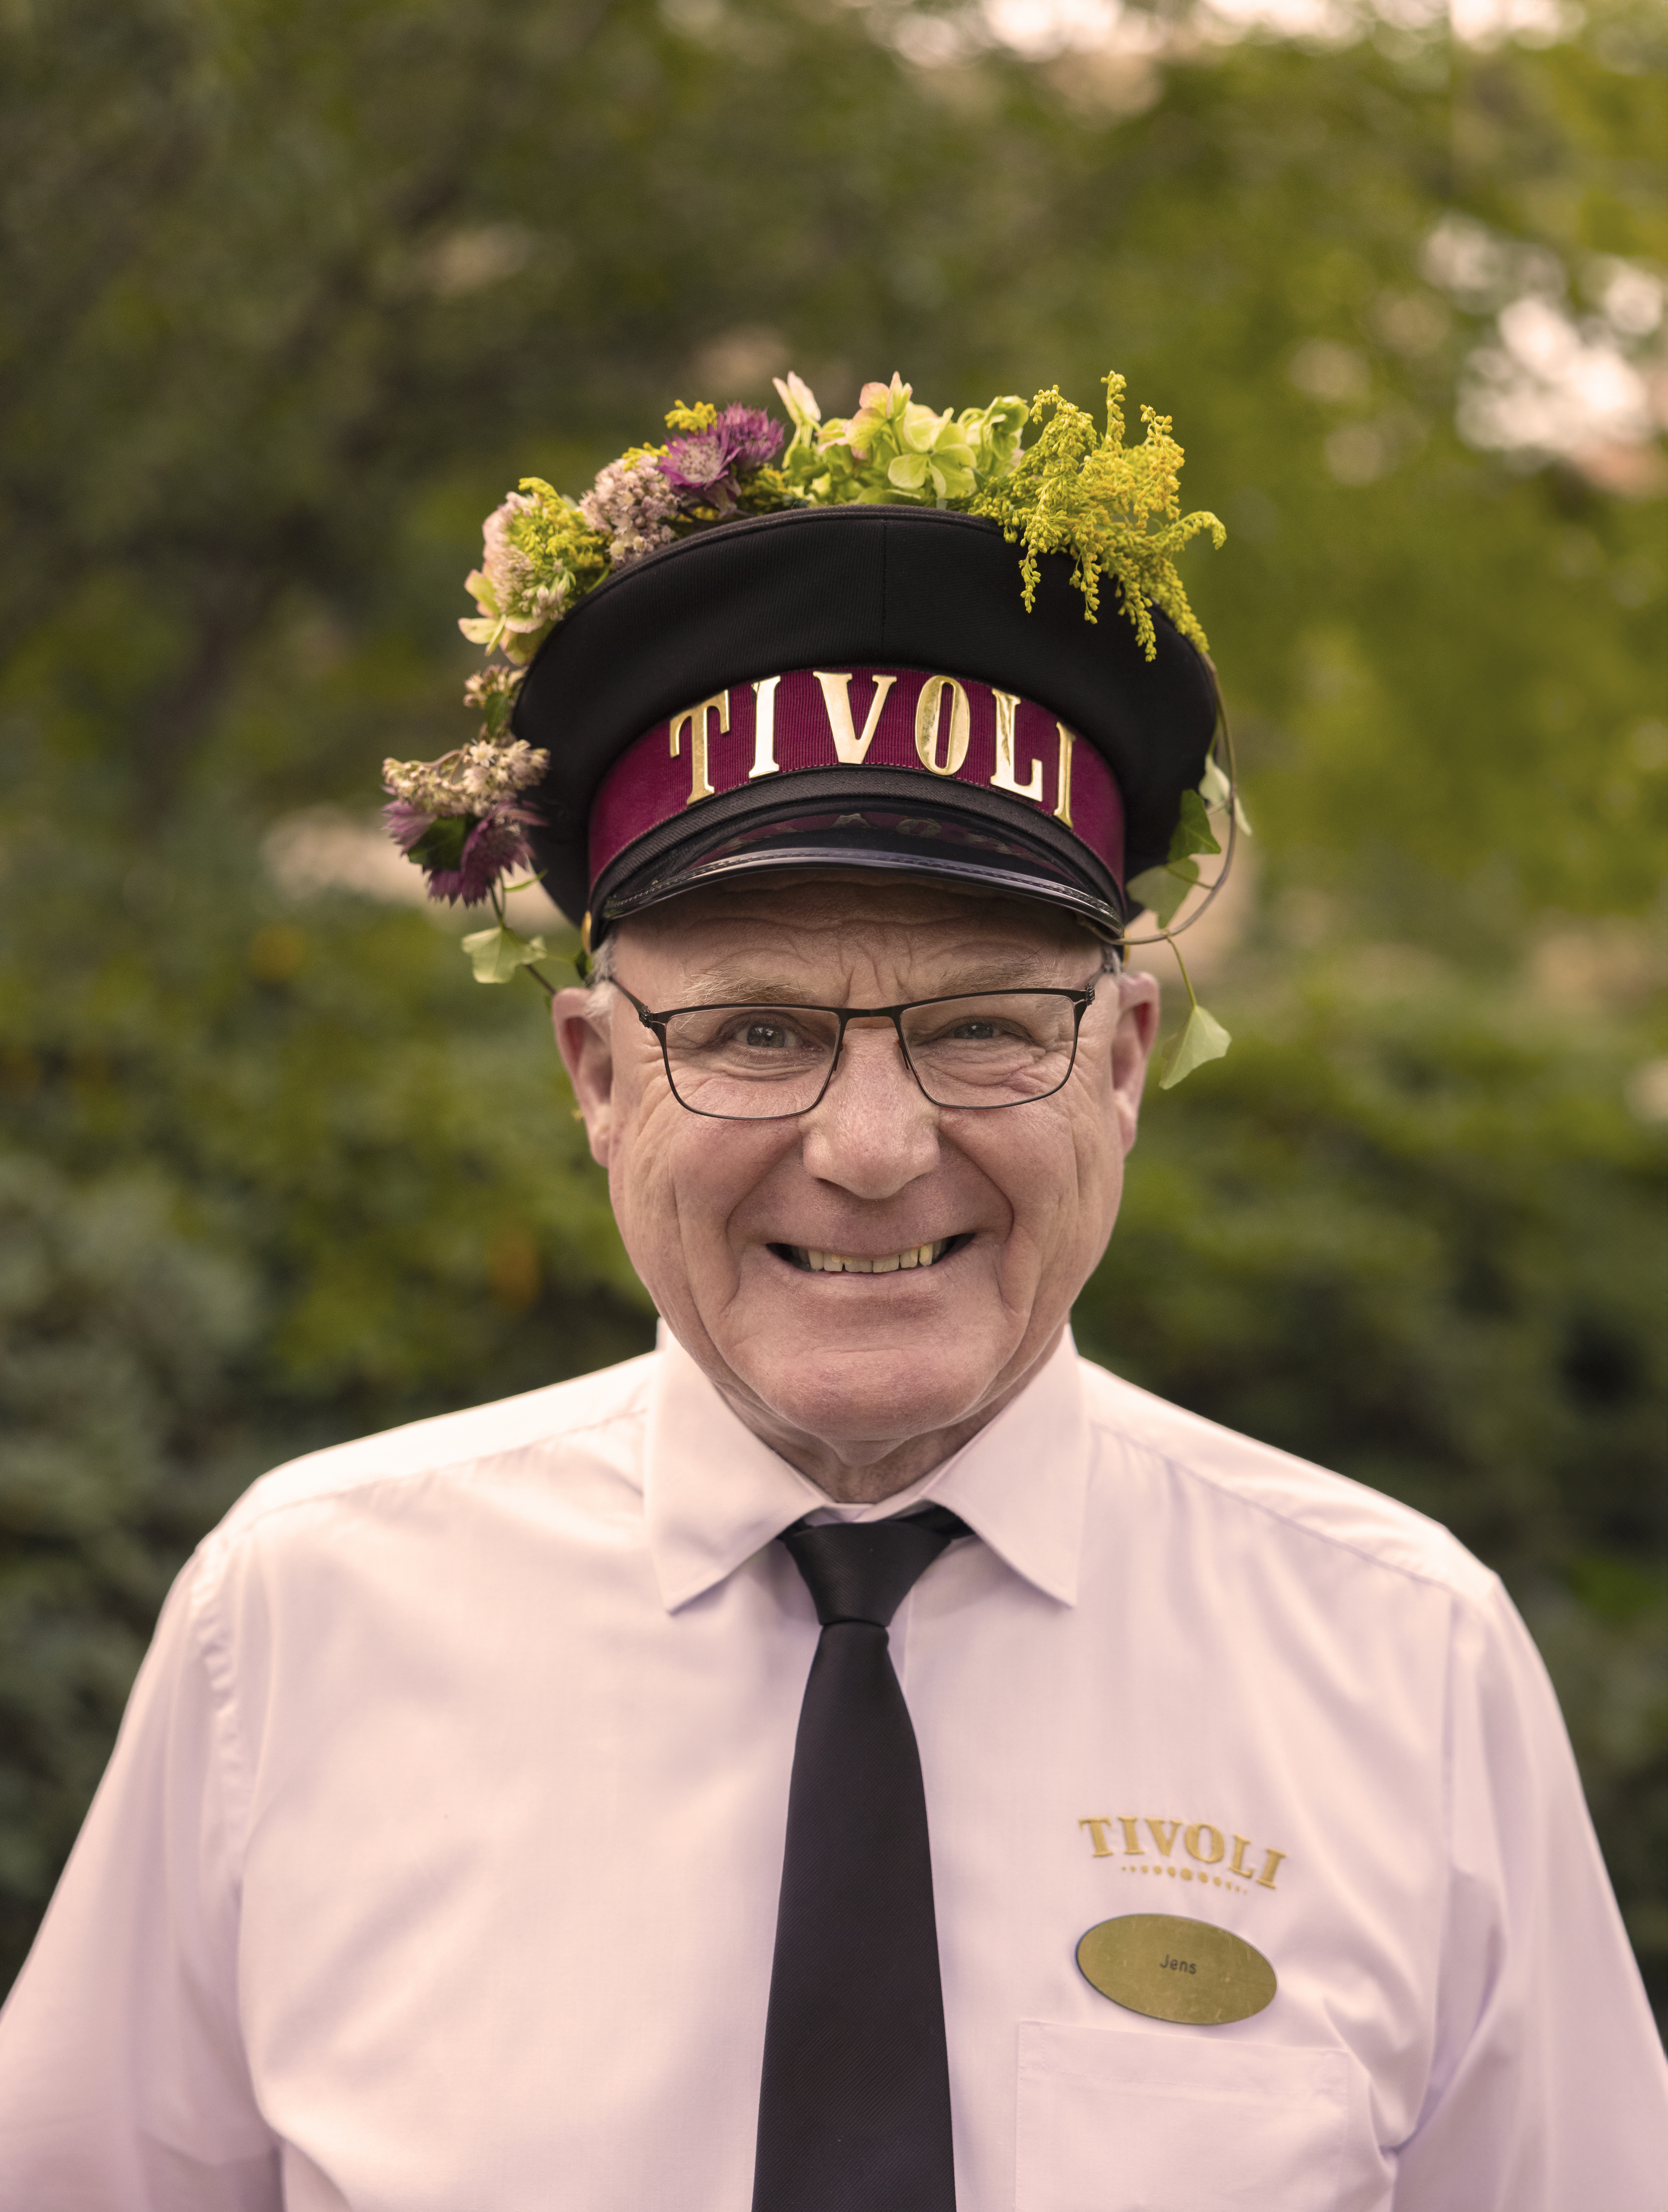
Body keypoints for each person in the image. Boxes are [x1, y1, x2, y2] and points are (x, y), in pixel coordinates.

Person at [0, 375, 1661, 2210]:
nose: (872, 1143)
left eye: (978, 1028)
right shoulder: (298, 1627)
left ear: (1122, 1058)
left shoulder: (1402, 1664)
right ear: (594, 1075)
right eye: (756, 1031)